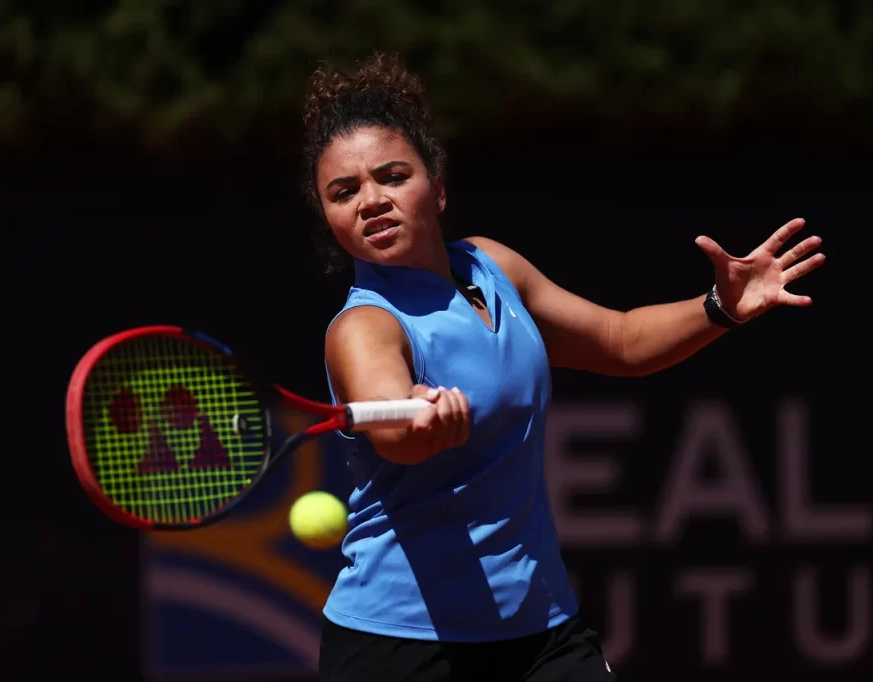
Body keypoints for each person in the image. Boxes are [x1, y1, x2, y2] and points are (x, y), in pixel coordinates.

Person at [301, 53, 824, 682]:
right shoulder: (364, 326)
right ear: (330, 218)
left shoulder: (491, 266)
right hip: (403, 645)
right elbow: (394, 424)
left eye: (392, 176)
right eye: (344, 192)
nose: (371, 201)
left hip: (543, 628)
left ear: (437, 187)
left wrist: (720, 308)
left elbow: (619, 341)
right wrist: (422, 423)